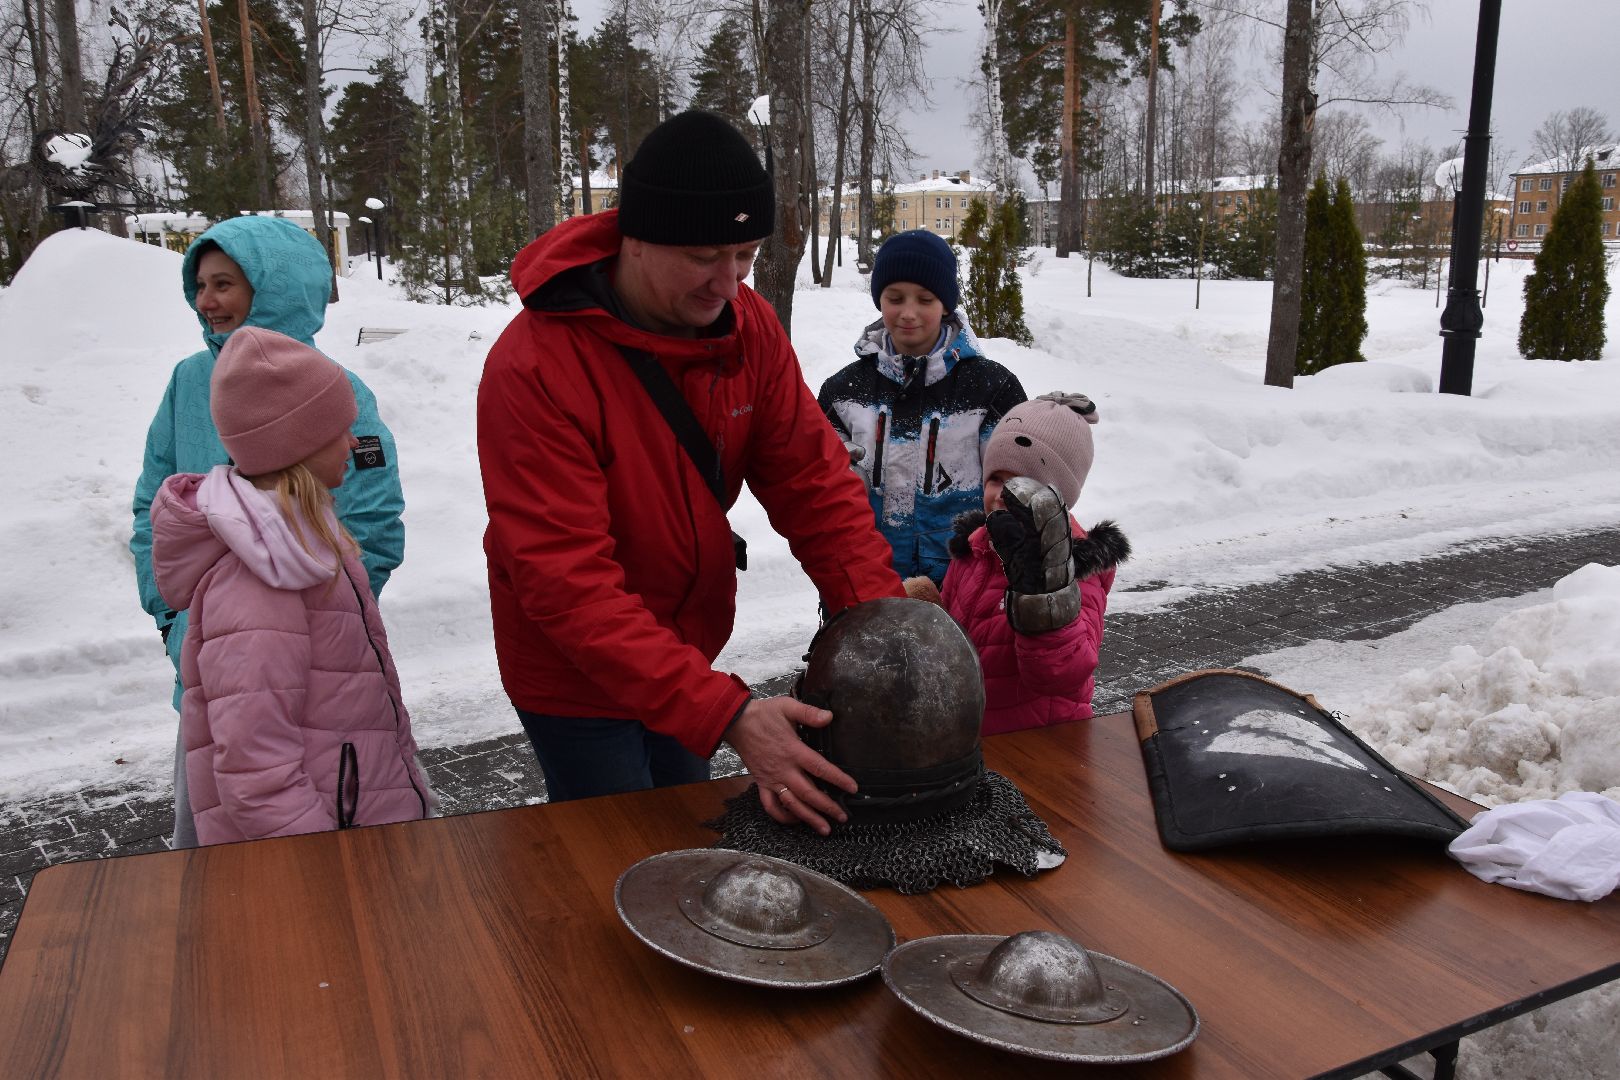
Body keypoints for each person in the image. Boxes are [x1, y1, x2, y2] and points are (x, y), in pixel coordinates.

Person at [477, 110, 904, 834]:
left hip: (686, 650)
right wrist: (726, 711)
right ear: (636, 238)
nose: (728, 283)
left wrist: (881, 628)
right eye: (706, 254)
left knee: (688, 834)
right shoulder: (534, 366)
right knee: (618, 855)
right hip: (573, 677)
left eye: (744, 254)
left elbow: (813, 483)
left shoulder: (750, 328)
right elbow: (565, 581)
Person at [130, 214, 405, 846]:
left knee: (331, 815)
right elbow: (157, 507)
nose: (207, 301)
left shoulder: (338, 393)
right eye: (200, 284)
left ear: (276, 285)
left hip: (315, 675)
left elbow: (373, 522)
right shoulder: (187, 383)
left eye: (225, 283)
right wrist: (179, 626)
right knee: (216, 815)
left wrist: (329, 623)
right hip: (210, 657)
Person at [905, 393, 1130, 734]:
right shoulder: (974, 548)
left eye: (1022, 484)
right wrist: (926, 617)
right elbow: (955, 638)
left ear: (1058, 498)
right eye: (996, 479)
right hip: (973, 732)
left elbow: (1062, 674)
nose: (1002, 494)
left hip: (1042, 741)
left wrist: (1042, 594)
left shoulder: (1075, 568)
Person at [818, 229, 1025, 588]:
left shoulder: (990, 389)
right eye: (895, 298)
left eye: (925, 299)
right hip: (867, 583)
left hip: (965, 587)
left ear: (945, 304)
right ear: (878, 299)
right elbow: (821, 494)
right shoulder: (844, 393)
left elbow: (1014, 490)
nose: (908, 313)